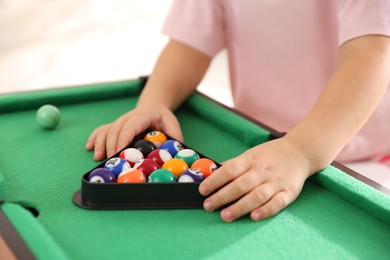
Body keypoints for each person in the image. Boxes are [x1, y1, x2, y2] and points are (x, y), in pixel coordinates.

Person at [85, 1, 390, 222]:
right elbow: (189, 44)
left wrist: (301, 150)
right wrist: (155, 101)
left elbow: (370, 54)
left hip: (363, 155)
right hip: (258, 142)